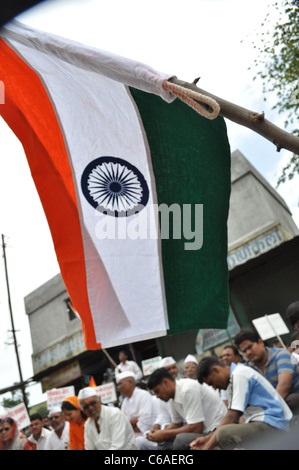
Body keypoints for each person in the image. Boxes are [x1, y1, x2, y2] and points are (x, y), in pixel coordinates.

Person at [190, 356, 293, 450]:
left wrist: (207, 447)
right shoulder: (234, 378)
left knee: (223, 434)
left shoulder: (239, 374)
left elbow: (231, 417)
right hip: (262, 424)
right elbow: (235, 418)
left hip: (275, 424)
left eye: (212, 383)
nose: (215, 387)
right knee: (217, 443)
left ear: (215, 370)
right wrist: (207, 439)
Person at [146, 367, 227, 450]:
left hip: (217, 430)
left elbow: (197, 428)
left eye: (157, 391)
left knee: (181, 440)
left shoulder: (187, 389)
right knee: (163, 442)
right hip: (205, 431)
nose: (157, 396)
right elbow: (177, 424)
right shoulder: (172, 396)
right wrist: (159, 434)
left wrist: (165, 434)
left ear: (166, 383)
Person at [234, 328, 299, 414]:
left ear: (260, 342)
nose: (248, 352)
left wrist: (267, 413)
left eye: (250, 347)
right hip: (270, 405)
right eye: (244, 351)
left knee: (291, 400)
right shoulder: (247, 368)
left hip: (291, 395)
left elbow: (284, 387)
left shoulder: (281, 354)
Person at [117, 371, 157, 436]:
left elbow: (145, 423)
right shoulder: (125, 402)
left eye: (120, 384)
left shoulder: (143, 395)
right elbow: (123, 424)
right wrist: (133, 422)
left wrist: (132, 424)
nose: (118, 387)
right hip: (133, 435)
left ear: (130, 382)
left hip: (149, 434)